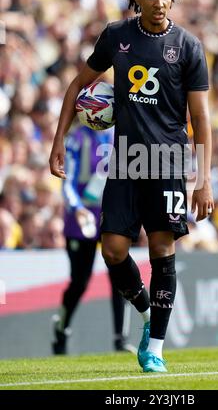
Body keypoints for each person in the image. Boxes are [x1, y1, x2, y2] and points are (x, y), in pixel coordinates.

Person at [50, 0, 214, 372]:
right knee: (113, 250)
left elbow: (202, 120)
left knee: (162, 248)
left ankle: (155, 347)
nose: (159, 2)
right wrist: (59, 141)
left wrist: (203, 179)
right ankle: (145, 314)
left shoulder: (189, 46)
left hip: (169, 160)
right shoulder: (117, 36)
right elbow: (77, 86)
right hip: (124, 160)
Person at [52, 123, 135, 355]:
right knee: (80, 281)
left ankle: (121, 338)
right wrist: (77, 208)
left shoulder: (120, 135)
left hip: (111, 216)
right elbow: (66, 182)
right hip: (82, 220)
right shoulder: (76, 139)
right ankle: (61, 329)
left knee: (120, 277)